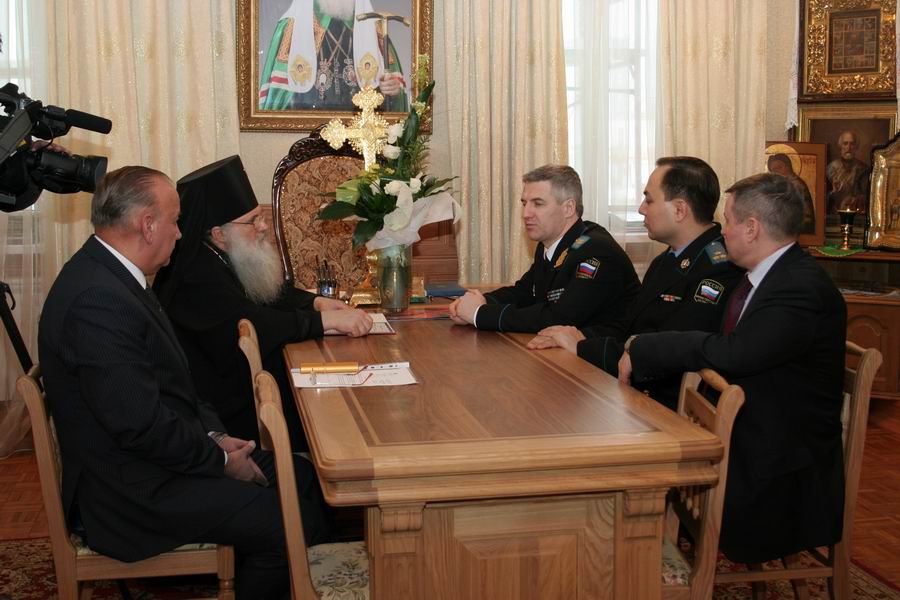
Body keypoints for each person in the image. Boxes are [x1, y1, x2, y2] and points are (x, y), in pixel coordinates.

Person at [38, 166, 331, 599]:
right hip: (132, 492)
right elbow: (138, 425)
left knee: (304, 479)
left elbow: (180, 386)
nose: (180, 233)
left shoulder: (115, 276)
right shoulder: (97, 300)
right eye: (174, 221)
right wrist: (220, 460)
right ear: (147, 224)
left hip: (161, 460)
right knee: (289, 522)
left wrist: (216, 437)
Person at [618, 172, 847, 564]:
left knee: (640, 467)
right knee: (640, 445)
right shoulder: (765, 277)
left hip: (780, 468)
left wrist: (645, 347)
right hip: (754, 431)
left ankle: (641, 565)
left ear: (752, 228)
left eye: (728, 221)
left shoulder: (799, 288)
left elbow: (735, 354)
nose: (721, 231)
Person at [152, 156, 372, 449]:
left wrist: (316, 303)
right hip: (227, 415)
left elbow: (269, 294)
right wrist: (323, 322)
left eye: (261, 216)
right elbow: (252, 323)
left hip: (244, 388)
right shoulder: (196, 276)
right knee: (335, 417)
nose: (264, 226)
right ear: (219, 234)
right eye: (253, 221)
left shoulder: (225, 254)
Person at [528, 157, 744, 410]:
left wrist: (583, 346)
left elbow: (667, 350)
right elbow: (629, 325)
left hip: (663, 407)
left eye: (649, 200)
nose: (641, 209)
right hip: (634, 393)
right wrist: (577, 335)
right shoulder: (666, 260)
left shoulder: (719, 270)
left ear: (679, 210)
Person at [449, 165, 640, 334]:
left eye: (538, 204)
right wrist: (478, 301)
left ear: (568, 208)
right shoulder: (551, 243)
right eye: (524, 203)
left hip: (605, 359)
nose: (526, 214)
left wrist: (479, 314)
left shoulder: (596, 251)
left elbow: (559, 318)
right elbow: (525, 291)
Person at [258, 0, 408, 111]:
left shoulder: (374, 29)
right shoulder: (291, 27)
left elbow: (392, 101)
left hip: (359, 133)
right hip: (307, 132)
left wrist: (392, 92)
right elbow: (277, 99)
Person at [767, 153, 815, 234]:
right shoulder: (782, 184)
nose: (776, 172)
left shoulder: (796, 184)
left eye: (779, 168)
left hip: (799, 225)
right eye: (773, 170)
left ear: (788, 167)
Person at [826, 130, 870, 214]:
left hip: (856, 215)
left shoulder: (864, 169)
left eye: (852, 144)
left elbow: (868, 196)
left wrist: (857, 199)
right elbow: (822, 196)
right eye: (845, 143)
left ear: (856, 147)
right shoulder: (830, 168)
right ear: (840, 146)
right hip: (834, 216)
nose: (848, 148)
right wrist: (833, 192)